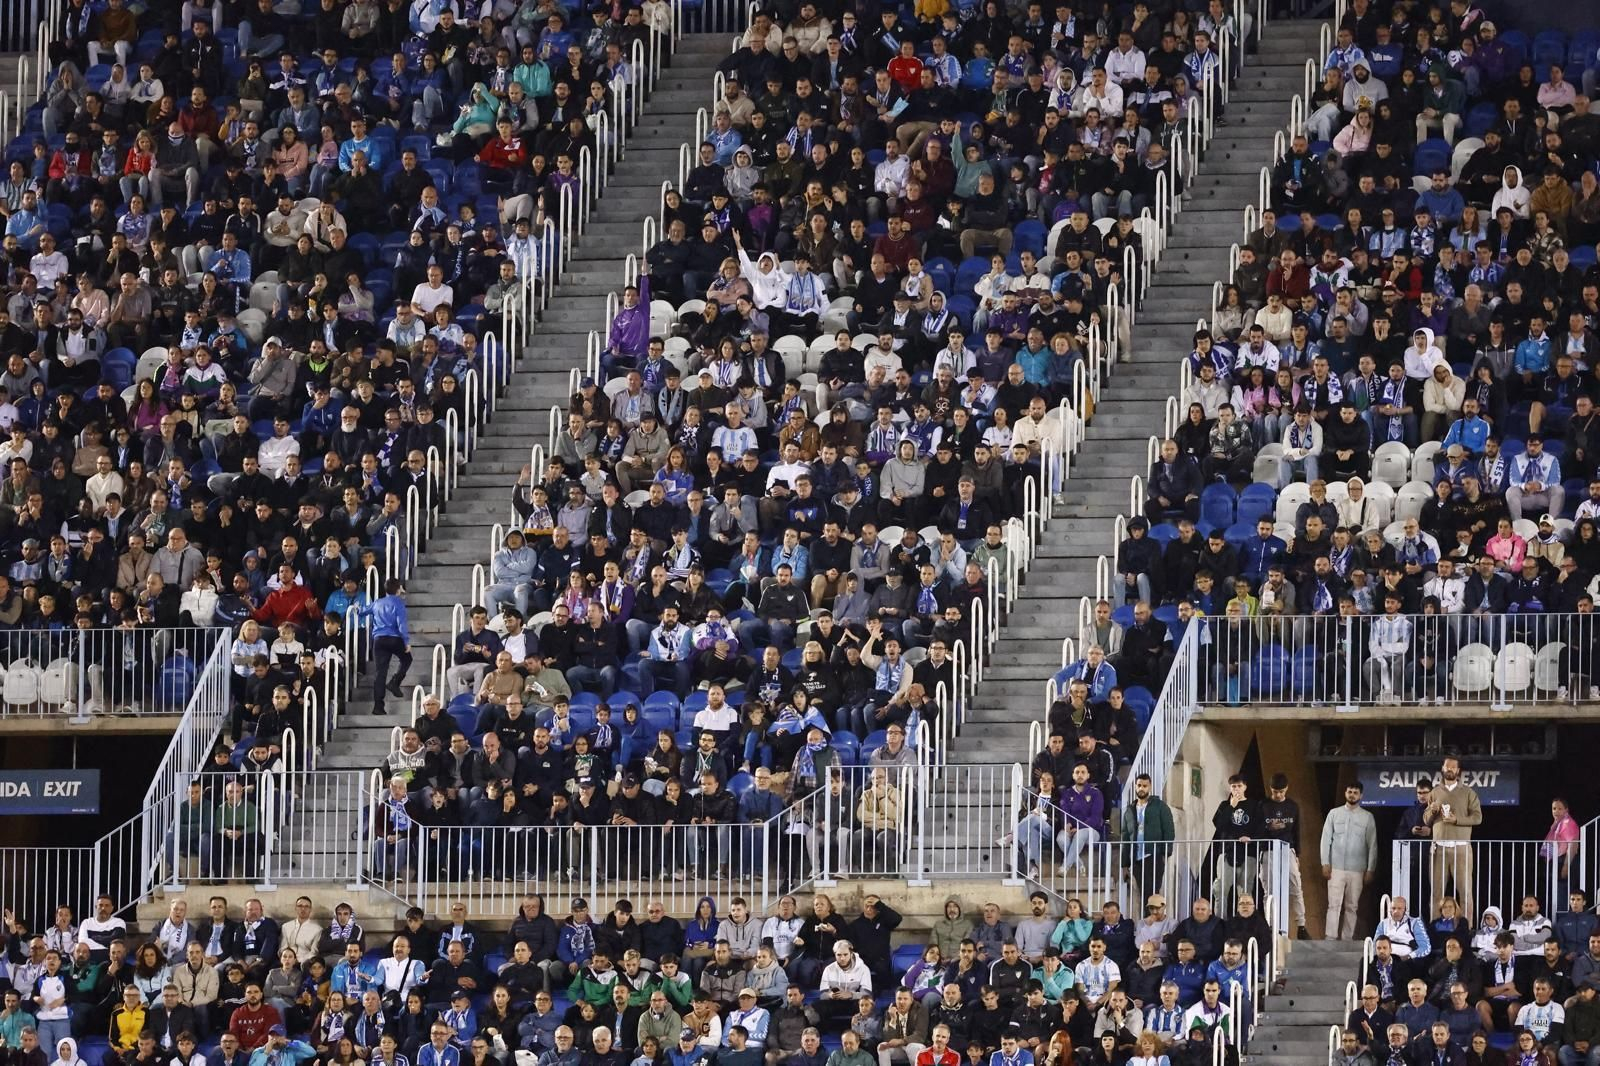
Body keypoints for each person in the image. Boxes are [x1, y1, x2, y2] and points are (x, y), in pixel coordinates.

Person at [1425, 757, 1483, 922]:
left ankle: (1466, 927)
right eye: (1446, 766)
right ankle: (1434, 926)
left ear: (1458, 771)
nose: (1449, 769)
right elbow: (1426, 819)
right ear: (1442, 769)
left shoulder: (1468, 793)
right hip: (1438, 847)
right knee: (1437, 891)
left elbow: (1478, 818)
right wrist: (1432, 811)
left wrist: (1456, 819)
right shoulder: (1434, 792)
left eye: (1452, 767)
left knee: (1465, 890)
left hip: (1461, 847)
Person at [1320, 781, 1378, 940]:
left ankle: (1347, 939)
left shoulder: (1367, 817)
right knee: (1333, 905)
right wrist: (1325, 862)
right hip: (1336, 868)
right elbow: (1326, 840)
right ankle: (1330, 938)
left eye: (1355, 792)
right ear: (1345, 793)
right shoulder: (1334, 814)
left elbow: (1372, 845)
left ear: (1361, 796)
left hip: (1357, 870)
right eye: (1350, 791)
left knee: (1352, 906)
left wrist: (1370, 869)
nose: (1352, 795)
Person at [367, 578, 411, 716]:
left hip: (378, 640)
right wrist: (406, 641)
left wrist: (356, 609)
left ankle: (378, 706)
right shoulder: (399, 603)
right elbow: (401, 624)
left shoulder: (377, 602)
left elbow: (364, 611)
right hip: (394, 638)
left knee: (380, 673)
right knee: (407, 659)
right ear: (399, 589)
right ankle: (395, 682)